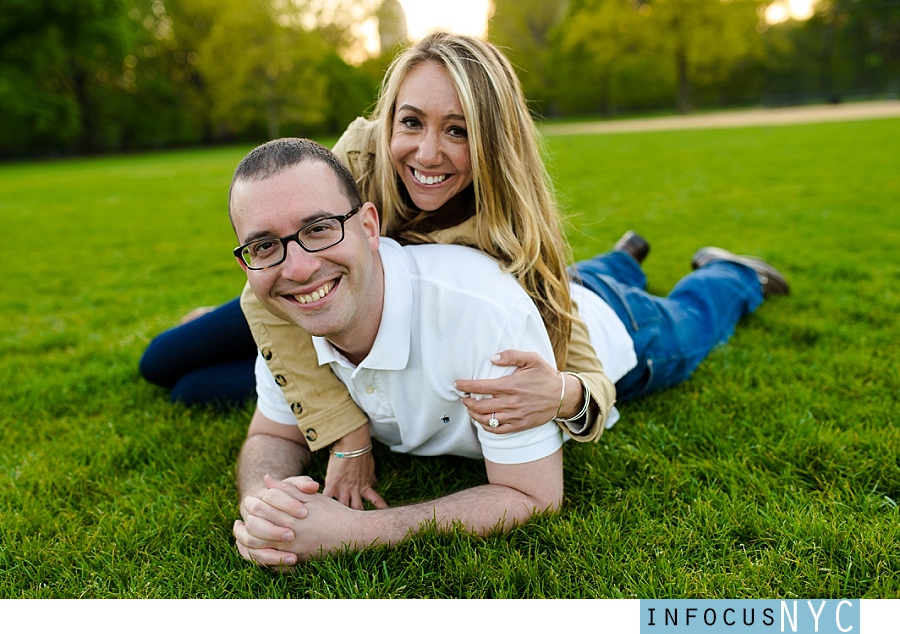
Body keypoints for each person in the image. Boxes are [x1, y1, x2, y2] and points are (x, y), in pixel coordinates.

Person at [231, 138, 566, 564]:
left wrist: (355, 530)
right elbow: (270, 434)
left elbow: (532, 495)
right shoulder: (289, 316)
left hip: (617, 326)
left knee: (675, 322)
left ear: (368, 227)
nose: (297, 269)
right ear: (247, 264)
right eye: (264, 246)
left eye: (318, 228)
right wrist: (264, 505)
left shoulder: (483, 315)